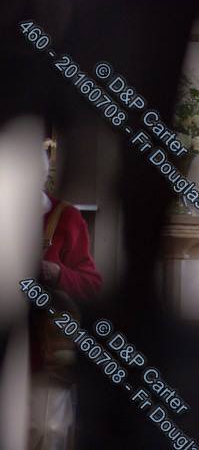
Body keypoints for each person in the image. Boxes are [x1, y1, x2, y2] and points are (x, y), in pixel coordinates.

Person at [31, 150, 103, 450]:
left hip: (46, 351)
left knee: (46, 430)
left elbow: (91, 285)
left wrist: (58, 273)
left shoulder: (66, 218)